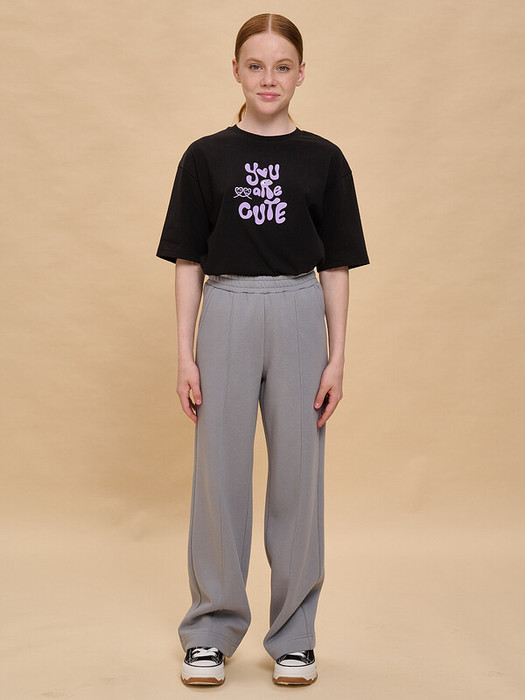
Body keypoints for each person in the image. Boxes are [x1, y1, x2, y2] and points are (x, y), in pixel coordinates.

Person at [156, 13, 369, 686]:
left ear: (301, 74)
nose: (268, 79)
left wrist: (337, 356)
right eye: (255, 65)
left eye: (282, 67)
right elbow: (187, 259)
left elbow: (337, 263)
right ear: (235, 71)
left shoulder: (324, 159)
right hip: (226, 310)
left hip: (300, 310)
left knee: (299, 478)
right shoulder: (205, 157)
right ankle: (210, 630)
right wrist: (185, 353)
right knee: (219, 475)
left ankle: (295, 635)